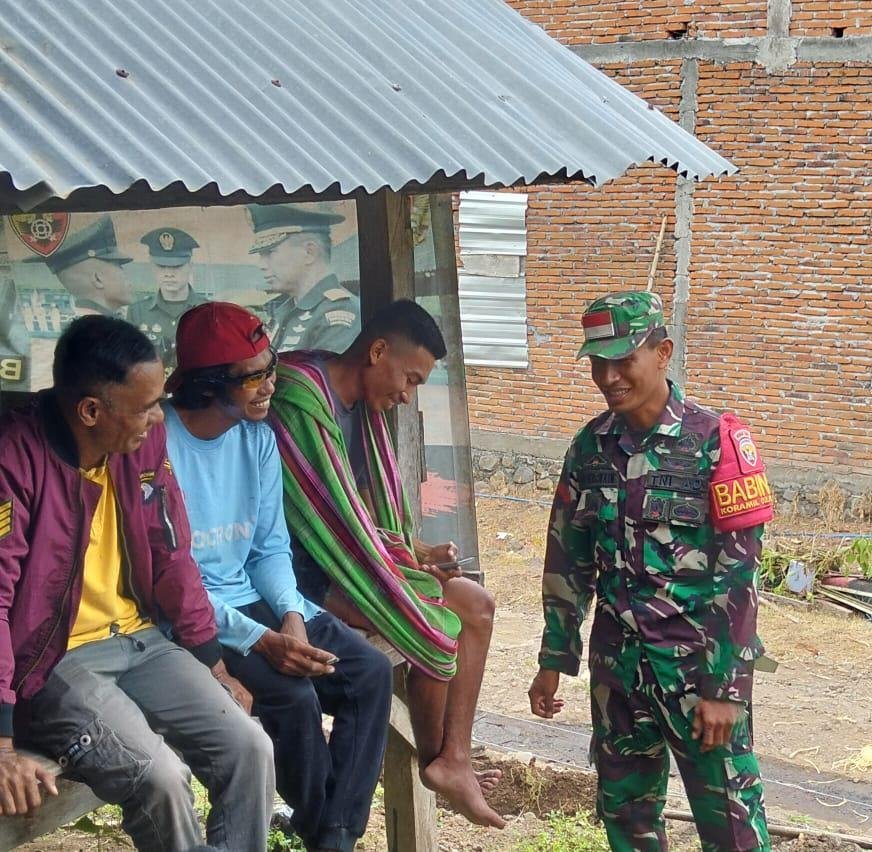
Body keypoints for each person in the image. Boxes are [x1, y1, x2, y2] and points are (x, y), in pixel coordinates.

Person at [0, 315, 275, 851]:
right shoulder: (15, 459)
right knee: (160, 776)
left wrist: (212, 663)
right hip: (51, 660)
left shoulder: (141, 446)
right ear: (91, 411)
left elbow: (171, 553)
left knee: (250, 749)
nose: (158, 417)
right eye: (146, 406)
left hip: (142, 641)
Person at [527, 291, 772, 851]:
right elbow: (568, 558)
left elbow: (740, 578)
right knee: (627, 819)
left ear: (662, 353)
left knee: (732, 824)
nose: (608, 376)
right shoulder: (590, 448)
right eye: (597, 363)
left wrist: (728, 689)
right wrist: (555, 657)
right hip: (620, 673)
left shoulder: (717, 442)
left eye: (622, 360)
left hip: (696, 672)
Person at [163, 301, 393, 852]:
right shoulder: (158, 446)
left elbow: (269, 548)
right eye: (254, 376)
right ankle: (327, 836)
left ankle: (332, 833)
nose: (271, 385)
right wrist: (258, 639)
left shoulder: (257, 438)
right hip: (195, 620)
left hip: (255, 597)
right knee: (293, 697)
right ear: (207, 384)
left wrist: (291, 617)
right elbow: (169, 581)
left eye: (271, 368)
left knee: (369, 673)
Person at [268, 299, 504, 829]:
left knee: (478, 605)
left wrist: (412, 552)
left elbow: (359, 514)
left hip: (356, 561)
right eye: (410, 378)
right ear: (378, 351)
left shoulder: (364, 410)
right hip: (309, 576)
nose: (407, 394)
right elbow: (329, 521)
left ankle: (452, 759)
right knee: (439, 621)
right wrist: (398, 565)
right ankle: (438, 762)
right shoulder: (303, 398)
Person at [246, 204, 359, 352]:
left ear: (309, 252)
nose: (261, 264)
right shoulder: (286, 310)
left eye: (269, 252)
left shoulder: (339, 314)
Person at [128, 227, 208, 370]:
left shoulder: (207, 310)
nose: (168, 274)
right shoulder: (137, 312)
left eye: (176, 266)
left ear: (190, 266)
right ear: (152, 267)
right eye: (161, 266)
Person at [24, 215, 134, 317]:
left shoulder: (87, 325)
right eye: (119, 267)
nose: (128, 279)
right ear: (98, 279)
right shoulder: (104, 330)